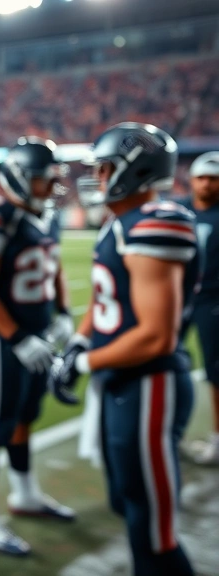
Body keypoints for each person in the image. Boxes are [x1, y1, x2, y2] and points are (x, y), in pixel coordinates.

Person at [50, 122, 197, 576]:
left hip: (149, 384)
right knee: (126, 501)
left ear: (134, 170)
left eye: (105, 167)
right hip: (121, 381)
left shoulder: (156, 223)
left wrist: (86, 362)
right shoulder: (121, 223)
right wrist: (78, 342)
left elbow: (155, 335)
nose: (94, 175)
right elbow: (106, 299)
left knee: (154, 531)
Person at [0, 136, 76, 556]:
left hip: (37, 335)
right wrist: (15, 336)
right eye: (47, 179)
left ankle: (25, 495)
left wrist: (62, 310)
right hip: (0, 338)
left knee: (26, 417)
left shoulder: (46, 215)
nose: (54, 187)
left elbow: (54, 264)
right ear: (21, 178)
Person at [179, 151, 219, 465]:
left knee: (215, 371)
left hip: (213, 300)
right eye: (202, 178)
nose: (207, 184)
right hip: (178, 298)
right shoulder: (177, 211)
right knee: (168, 363)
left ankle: (217, 440)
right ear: (192, 180)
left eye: (214, 179)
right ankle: (171, 433)